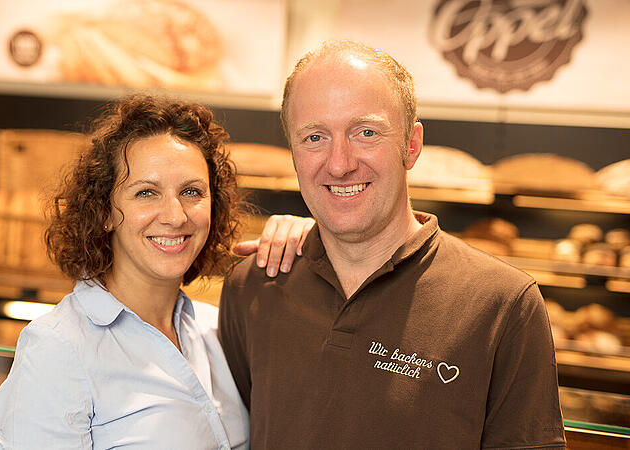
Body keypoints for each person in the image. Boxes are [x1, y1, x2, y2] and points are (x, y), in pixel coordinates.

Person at [218, 40, 565, 449]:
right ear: (293, 151)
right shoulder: (253, 286)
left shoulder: (503, 304)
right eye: (314, 137)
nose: (340, 163)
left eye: (366, 132)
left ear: (412, 145)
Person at [0, 95, 310, 449]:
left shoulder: (216, 329)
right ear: (105, 212)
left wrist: (317, 244)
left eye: (191, 192)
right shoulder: (58, 347)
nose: (175, 216)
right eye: (146, 192)